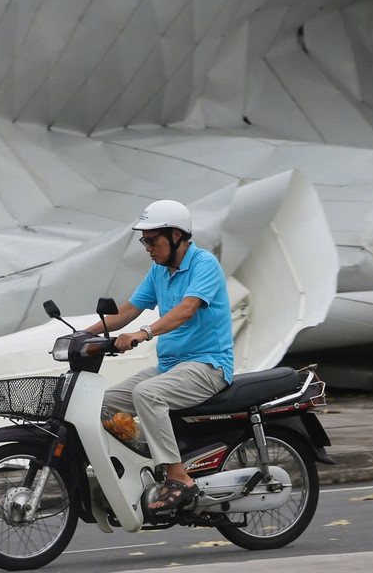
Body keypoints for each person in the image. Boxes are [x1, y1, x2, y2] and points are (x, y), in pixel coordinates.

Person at [85, 199, 233, 513]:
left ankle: (180, 477)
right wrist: (83, 334)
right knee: (100, 404)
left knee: (147, 394)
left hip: (208, 366)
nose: (148, 248)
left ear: (176, 236)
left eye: (153, 240)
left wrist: (145, 332)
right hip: (171, 367)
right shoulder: (159, 272)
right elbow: (126, 311)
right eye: (145, 241)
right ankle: (146, 465)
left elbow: (186, 309)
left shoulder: (204, 264)